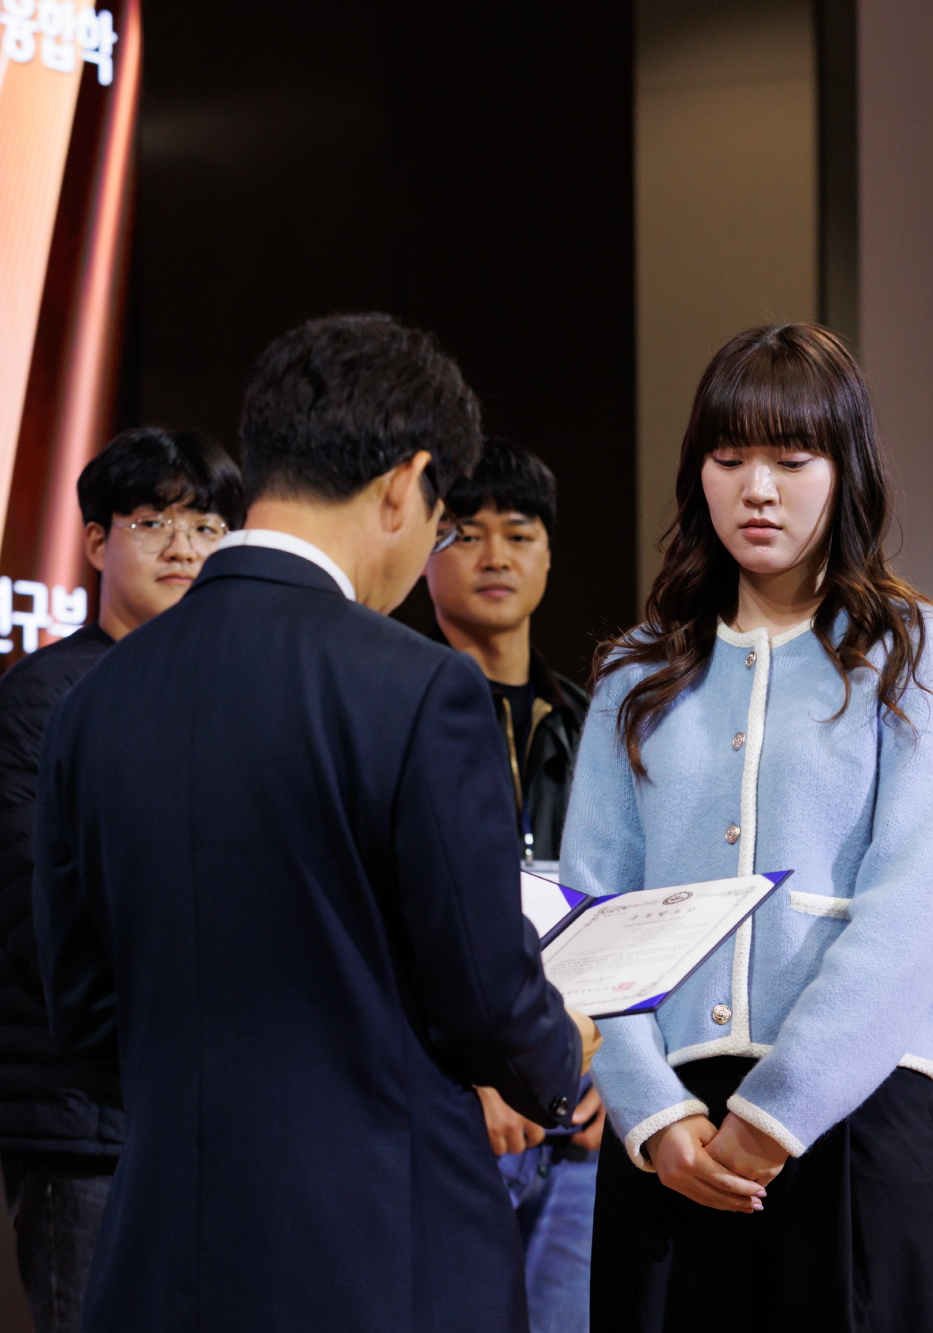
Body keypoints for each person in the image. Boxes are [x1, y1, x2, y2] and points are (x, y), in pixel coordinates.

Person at [33, 313, 600, 1333]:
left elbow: (80, 1010)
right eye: (441, 520)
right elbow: (483, 996)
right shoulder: (418, 688)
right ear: (404, 484)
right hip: (382, 1258)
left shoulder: (93, 702)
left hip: (162, 1260)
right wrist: (562, 1049)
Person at [562, 324, 933, 1332]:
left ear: (845, 471)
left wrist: (776, 1112)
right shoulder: (636, 672)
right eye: (729, 458)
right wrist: (651, 1113)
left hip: (855, 1119)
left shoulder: (913, 653)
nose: (757, 490)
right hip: (667, 1137)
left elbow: (910, 912)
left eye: (791, 461)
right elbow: (591, 912)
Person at [0, 428, 245, 1333]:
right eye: (153, 522)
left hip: (211, 1118)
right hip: (88, 1122)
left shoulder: (232, 696)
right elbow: (41, 923)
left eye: (206, 526)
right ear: (95, 542)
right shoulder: (39, 703)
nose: (182, 547)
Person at [423, 437, 601, 1333]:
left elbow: (633, 908)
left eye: (519, 533)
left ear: (550, 555)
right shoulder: (399, 712)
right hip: (459, 1121)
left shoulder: (595, 723)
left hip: (584, 1122)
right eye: (465, 533)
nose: (495, 555)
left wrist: (611, 1075)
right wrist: (479, 1082)